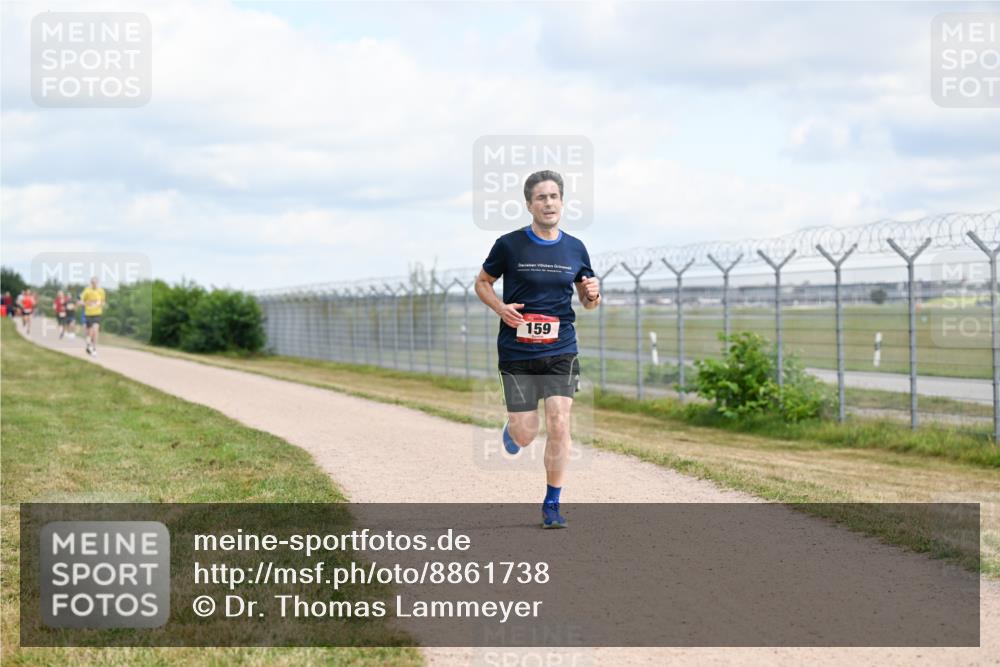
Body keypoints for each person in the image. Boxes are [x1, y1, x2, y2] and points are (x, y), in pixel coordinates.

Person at [475, 170, 601, 529]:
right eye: (541, 198)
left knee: (560, 421)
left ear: (562, 202)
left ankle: (552, 504)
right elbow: (482, 282)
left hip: (561, 348)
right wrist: (500, 308)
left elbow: (588, 301)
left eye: (554, 196)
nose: (548, 203)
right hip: (517, 351)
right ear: (529, 204)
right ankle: (513, 430)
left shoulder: (575, 248)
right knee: (525, 434)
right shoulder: (509, 245)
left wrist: (593, 295)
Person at [80, 278, 106, 357]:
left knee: (96, 330)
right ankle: (88, 345)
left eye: (96, 283)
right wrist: (86, 303)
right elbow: (81, 302)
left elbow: (103, 301)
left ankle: (94, 348)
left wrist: (101, 304)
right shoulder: (87, 291)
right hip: (88, 314)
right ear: (91, 283)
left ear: (98, 283)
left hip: (97, 313)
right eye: (93, 283)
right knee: (90, 332)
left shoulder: (101, 291)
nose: (94, 284)